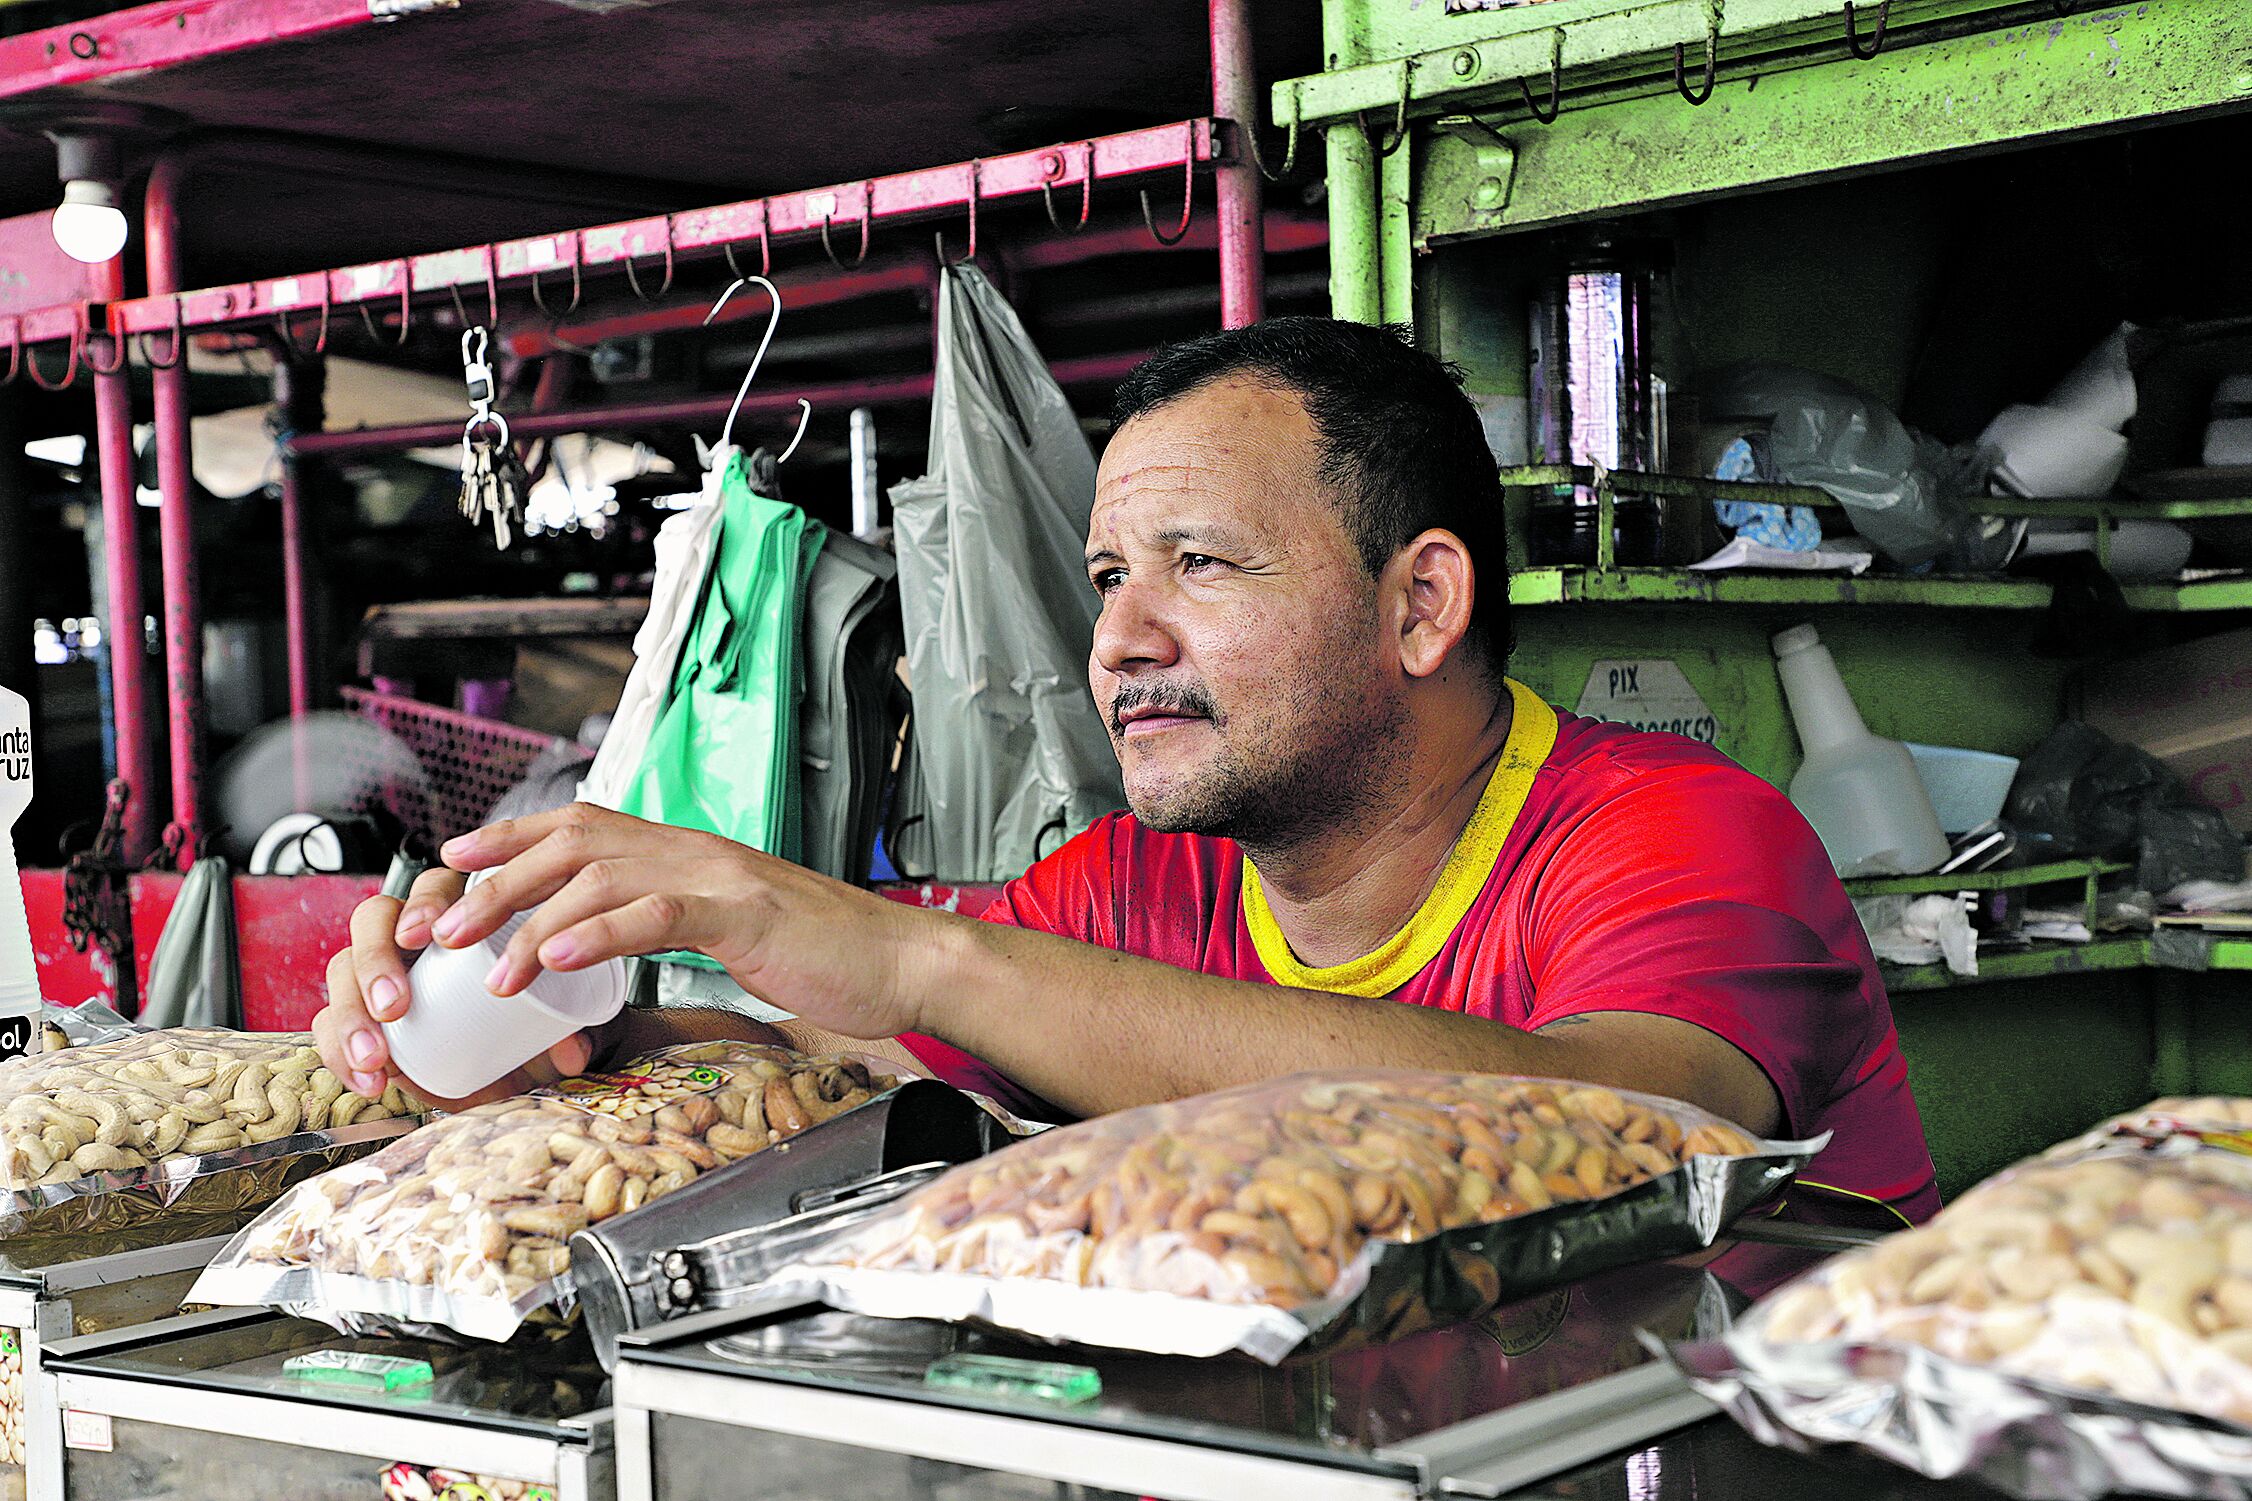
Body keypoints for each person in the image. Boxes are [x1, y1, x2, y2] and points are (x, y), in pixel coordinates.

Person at [316, 318, 1940, 1224]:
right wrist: (581, 1022)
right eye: (1106, 578)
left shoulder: (1680, 832)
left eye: (1201, 565)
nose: (1122, 639)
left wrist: (925, 947)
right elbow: (838, 1060)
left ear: (1420, 603)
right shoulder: (1133, 887)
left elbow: (1631, 1126)